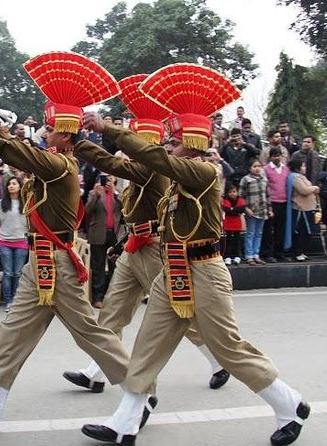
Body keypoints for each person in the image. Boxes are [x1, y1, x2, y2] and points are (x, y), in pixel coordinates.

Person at [80, 63, 308, 446]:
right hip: (174, 269)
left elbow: (156, 160)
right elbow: (139, 163)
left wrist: (107, 128)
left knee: (228, 348)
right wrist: (83, 143)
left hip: (205, 271)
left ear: (193, 143)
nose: (167, 147)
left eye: (174, 141)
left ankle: (290, 403)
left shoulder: (204, 174)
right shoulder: (179, 174)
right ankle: (125, 422)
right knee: (148, 346)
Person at [0, 50, 131, 435]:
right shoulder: (52, 161)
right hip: (39, 263)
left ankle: (139, 393)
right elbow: (10, 146)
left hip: (55, 263)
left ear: (64, 132)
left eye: (49, 127)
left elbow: (8, 148)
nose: (43, 131)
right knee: (13, 332)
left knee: (91, 334)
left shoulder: (58, 164)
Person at [64, 113, 230, 403]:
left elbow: (111, 163)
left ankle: (217, 360)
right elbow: (134, 213)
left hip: (154, 247)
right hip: (135, 244)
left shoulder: (151, 170)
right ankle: (96, 371)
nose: (167, 146)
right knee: (113, 310)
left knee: (178, 311)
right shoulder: (143, 168)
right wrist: (122, 242)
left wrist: (83, 141)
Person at [85, 174, 122, 308]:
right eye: (105, 179)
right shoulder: (93, 193)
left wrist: (115, 193)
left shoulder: (119, 194)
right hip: (98, 234)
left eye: (111, 179)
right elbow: (87, 210)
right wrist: (96, 195)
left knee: (115, 267)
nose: (108, 181)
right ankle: (97, 298)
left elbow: (126, 209)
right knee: (98, 267)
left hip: (115, 235)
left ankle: (112, 297)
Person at [0, 176, 28, 312]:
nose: (11, 186)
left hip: (21, 243)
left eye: (14, 184)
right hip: (4, 243)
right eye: (9, 184)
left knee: (18, 273)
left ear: (20, 187)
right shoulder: (0, 204)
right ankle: (8, 300)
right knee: (7, 273)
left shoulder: (25, 204)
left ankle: (17, 300)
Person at [285, 158, 320, 262]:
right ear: (297, 167)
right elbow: (303, 190)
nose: (305, 168)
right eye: (303, 166)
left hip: (309, 208)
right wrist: (314, 188)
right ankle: (297, 252)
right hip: (300, 208)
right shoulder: (295, 177)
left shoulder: (302, 177)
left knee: (307, 231)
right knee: (302, 231)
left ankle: (302, 251)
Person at [240, 159, 272, 265]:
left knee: (259, 233)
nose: (257, 168)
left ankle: (256, 254)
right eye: (254, 166)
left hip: (263, 210)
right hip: (251, 210)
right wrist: (246, 208)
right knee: (250, 233)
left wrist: (270, 209)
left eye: (259, 166)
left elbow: (267, 196)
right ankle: (249, 255)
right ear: (250, 168)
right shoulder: (246, 179)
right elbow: (241, 196)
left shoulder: (264, 180)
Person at [262, 147, 290, 262]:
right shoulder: (266, 169)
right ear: (270, 157)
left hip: (283, 202)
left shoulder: (286, 169)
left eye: (279, 155)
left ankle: (279, 253)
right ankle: (267, 254)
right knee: (268, 229)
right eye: (274, 156)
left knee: (281, 229)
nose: (277, 158)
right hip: (271, 202)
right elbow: (264, 186)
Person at [222, 184, 245, 265]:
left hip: (237, 224)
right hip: (228, 224)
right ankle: (227, 256)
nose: (232, 193)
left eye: (234, 191)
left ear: (237, 192)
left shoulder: (241, 200)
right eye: (230, 192)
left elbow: (242, 209)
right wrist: (235, 210)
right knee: (228, 240)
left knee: (237, 240)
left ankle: (237, 256)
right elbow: (227, 210)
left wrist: (232, 209)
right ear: (227, 193)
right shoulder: (225, 200)